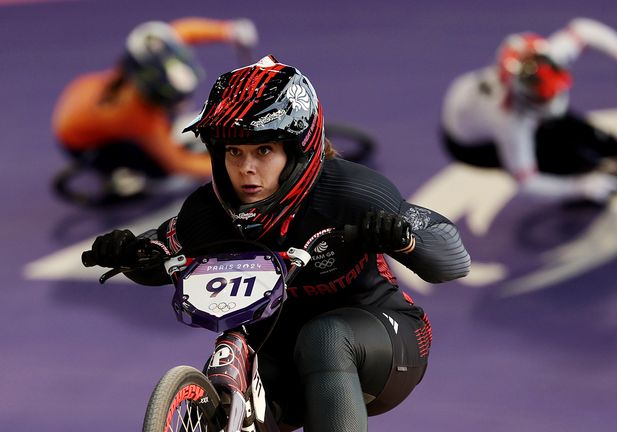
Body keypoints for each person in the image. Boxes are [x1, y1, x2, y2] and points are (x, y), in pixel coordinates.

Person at [85, 55, 471, 431]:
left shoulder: (351, 192)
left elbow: (453, 261)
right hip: (280, 353)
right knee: (225, 378)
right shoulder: (207, 210)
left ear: (298, 151)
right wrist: (129, 253)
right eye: (233, 152)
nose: (245, 169)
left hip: (385, 342)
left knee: (324, 337)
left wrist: (403, 240)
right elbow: (160, 255)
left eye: (263, 151)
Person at [441, 17, 617, 203]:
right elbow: (527, 181)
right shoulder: (509, 123)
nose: (553, 103)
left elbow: (584, 30)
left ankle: (609, 151)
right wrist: (580, 188)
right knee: (556, 161)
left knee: (569, 127)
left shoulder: (544, 60)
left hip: (470, 105)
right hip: (469, 145)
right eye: (543, 100)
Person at [51, 17, 258, 203]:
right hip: (82, 142)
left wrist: (227, 30)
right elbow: (176, 164)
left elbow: (183, 32)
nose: (182, 105)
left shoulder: (154, 55)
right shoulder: (136, 117)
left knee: (167, 129)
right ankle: (125, 176)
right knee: (160, 172)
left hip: (81, 98)